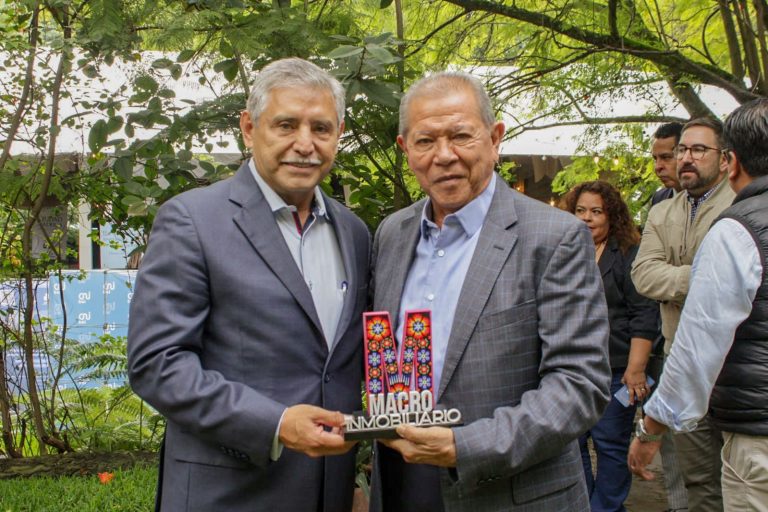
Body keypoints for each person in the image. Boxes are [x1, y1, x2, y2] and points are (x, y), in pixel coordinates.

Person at [127, 58, 371, 511]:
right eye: (286, 125)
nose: (305, 144)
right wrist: (275, 423)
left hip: (330, 492)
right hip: (227, 495)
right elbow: (157, 364)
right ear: (248, 127)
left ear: (338, 133)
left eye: (320, 128)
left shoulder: (355, 233)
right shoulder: (193, 221)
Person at [369, 71, 611, 511]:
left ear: (495, 138)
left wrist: (465, 446)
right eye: (426, 141)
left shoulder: (554, 237)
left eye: (461, 136)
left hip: (509, 493)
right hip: (403, 482)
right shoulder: (392, 233)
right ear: (405, 149)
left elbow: (579, 385)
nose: (444, 155)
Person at [629, 98, 768, 511]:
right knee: (699, 485)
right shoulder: (662, 210)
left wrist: (651, 429)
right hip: (727, 394)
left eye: (699, 149)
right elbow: (643, 274)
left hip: (750, 415)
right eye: (682, 150)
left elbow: (700, 341)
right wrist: (702, 277)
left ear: (730, 161)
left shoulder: (738, 222)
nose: (686, 158)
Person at [563, 181, 658, 511]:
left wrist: (636, 369)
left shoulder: (628, 252)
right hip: (570, 369)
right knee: (570, 446)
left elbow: (644, 313)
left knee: (610, 446)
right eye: (580, 210)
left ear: (612, 215)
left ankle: (606, 508)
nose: (586, 218)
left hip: (616, 369)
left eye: (596, 211)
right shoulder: (563, 250)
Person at [648, 121, 690, 512]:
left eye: (667, 156)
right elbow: (645, 273)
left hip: (711, 340)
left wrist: (668, 277)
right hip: (664, 336)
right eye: (655, 158)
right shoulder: (660, 200)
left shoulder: (727, 201)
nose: (660, 166)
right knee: (671, 430)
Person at [650, 122, 683, 205]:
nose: (657, 167)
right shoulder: (658, 199)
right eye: (655, 159)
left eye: (666, 157)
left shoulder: (711, 196)